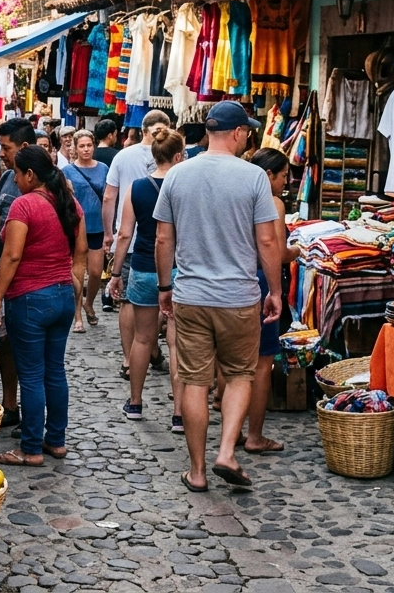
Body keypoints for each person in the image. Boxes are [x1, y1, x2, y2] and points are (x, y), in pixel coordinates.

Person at [155, 100, 284, 492]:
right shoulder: (253, 177)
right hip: (239, 296)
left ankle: (196, 471)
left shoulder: (178, 175)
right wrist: (275, 289)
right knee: (240, 375)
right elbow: (266, 239)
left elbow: (163, 237)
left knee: (195, 382)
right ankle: (227, 451)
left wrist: (164, 287)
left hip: (191, 294)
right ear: (239, 133)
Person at [0, 146, 87, 466]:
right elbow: (81, 253)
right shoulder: (69, 203)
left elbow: (12, 255)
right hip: (61, 297)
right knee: (54, 370)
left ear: (30, 174)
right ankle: (56, 440)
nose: (14, 178)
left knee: (30, 375)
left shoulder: (24, 205)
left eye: (17, 173)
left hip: (30, 298)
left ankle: (30, 448)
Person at [110, 128, 186, 431]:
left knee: (143, 338)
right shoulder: (185, 186)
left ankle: (136, 402)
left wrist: (115, 273)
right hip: (180, 269)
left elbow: (125, 233)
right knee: (177, 343)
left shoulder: (137, 188)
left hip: (143, 266)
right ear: (179, 155)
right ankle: (179, 414)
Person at [238, 148, 301, 454]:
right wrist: (298, 252)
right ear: (269, 175)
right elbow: (274, 249)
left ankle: (234, 431)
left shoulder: (240, 196)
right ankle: (255, 435)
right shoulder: (272, 202)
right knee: (263, 364)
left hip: (238, 280)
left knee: (236, 363)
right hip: (262, 281)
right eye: (284, 175)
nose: (286, 181)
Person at [103, 109, 172, 379]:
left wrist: (109, 233)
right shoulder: (178, 162)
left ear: (141, 129)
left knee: (130, 302)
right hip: (171, 247)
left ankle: (130, 359)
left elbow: (110, 197)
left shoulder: (123, 155)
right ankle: (151, 348)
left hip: (132, 241)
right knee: (165, 301)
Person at [0, 117, 35, 430]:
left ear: (24, 147)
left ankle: (28, 416)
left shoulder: (41, 183)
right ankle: (10, 404)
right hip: (2, 271)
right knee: (5, 343)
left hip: (24, 279)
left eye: (6, 147)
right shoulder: (5, 180)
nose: (1, 153)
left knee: (25, 348)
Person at [63, 130, 108, 332]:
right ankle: (78, 315)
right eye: (82, 146)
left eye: (89, 145)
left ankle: (89, 303)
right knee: (78, 273)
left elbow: (109, 197)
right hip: (77, 227)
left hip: (98, 225)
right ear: (75, 148)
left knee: (97, 272)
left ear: (94, 146)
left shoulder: (103, 169)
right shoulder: (68, 171)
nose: (86, 149)